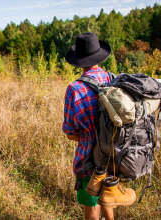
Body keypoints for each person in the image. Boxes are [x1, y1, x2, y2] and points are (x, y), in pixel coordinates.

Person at [62, 32, 114, 220]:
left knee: (91, 206)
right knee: (108, 197)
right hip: (116, 156)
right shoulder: (113, 78)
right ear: (99, 56)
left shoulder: (74, 88)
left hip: (89, 160)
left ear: (79, 61)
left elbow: (69, 133)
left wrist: (89, 136)